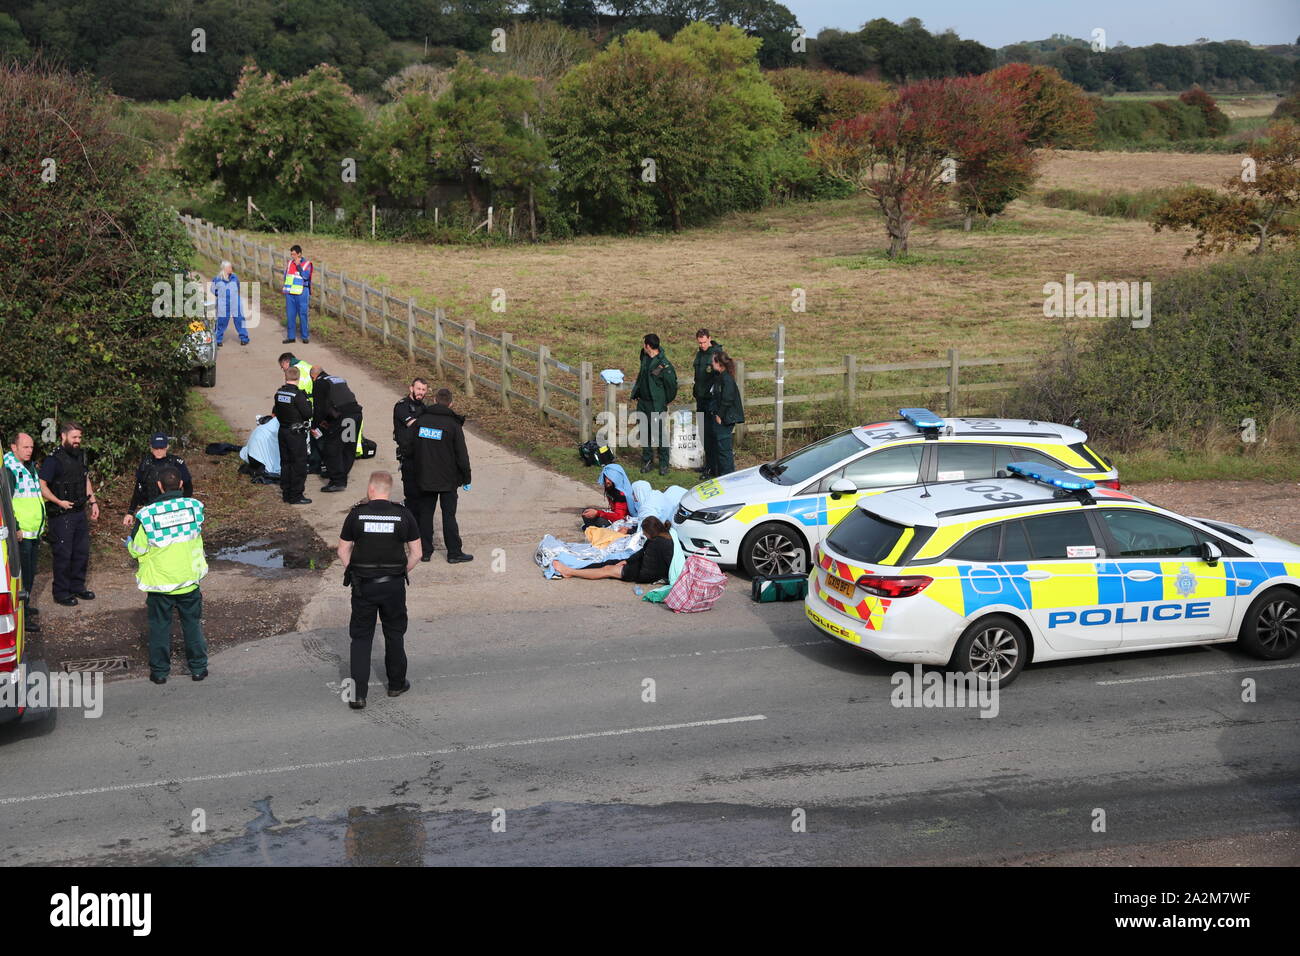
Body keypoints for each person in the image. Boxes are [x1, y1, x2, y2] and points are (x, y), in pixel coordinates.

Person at [336, 471, 422, 710]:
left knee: (361, 638)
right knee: (394, 633)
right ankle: (396, 684)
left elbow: (343, 550)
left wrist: (352, 569)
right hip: (393, 585)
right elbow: (417, 553)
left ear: (371, 489)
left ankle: (357, 695)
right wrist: (402, 571)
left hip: (363, 585)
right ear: (389, 491)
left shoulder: (356, 514)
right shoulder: (403, 515)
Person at [126, 466, 209, 684]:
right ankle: (198, 669)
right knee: (192, 625)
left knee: (160, 628)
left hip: (160, 584)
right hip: (189, 580)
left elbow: (137, 549)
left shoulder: (146, 515)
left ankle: (160, 673)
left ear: (160, 486)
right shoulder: (195, 507)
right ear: (181, 484)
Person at [404, 388, 473, 564]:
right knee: (449, 515)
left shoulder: (421, 421)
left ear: (434, 399)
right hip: (448, 480)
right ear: (451, 403)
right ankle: (454, 553)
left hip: (425, 477)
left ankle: (425, 552)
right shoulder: (453, 425)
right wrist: (466, 478)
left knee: (425, 515)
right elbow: (462, 456)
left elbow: (408, 448)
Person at [38, 422, 99, 607]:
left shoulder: (80, 456)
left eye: (79, 437)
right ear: (63, 436)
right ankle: (61, 592)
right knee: (63, 554)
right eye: (74, 437)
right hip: (61, 514)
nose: (77, 441)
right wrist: (58, 501)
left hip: (79, 512)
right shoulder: (53, 460)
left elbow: (84, 479)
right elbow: (42, 486)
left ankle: (77, 587)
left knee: (81, 552)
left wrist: (93, 501)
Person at [3, 433, 45, 631]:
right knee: (23, 577)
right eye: (25, 447)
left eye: (31, 447)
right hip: (21, 533)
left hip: (33, 530)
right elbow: (7, 503)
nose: (30, 451)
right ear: (14, 447)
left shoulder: (28, 465)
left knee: (29, 574)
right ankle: (23, 617)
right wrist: (16, 527)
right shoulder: (9, 469)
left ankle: (26, 607)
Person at [554, 516, 676, 582]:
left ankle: (570, 571)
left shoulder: (657, 543)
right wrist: (628, 561)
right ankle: (577, 566)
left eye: (644, 532)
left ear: (650, 531)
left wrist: (628, 569)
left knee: (607, 570)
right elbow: (642, 552)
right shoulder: (660, 536)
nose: (644, 535)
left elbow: (648, 570)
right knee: (609, 563)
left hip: (645, 573)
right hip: (645, 566)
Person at [310, 366, 363, 493]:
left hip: (343, 417)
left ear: (313, 377)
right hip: (355, 414)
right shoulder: (338, 379)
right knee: (347, 446)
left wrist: (314, 426)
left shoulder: (319, 383)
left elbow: (319, 407)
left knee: (331, 448)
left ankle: (338, 480)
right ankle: (341, 473)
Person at [629, 333, 676, 476]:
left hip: (656, 405)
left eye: (645, 344)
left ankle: (663, 464)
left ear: (648, 346)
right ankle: (647, 460)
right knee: (645, 433)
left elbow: (671, 386)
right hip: (643, 402)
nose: (643, 347)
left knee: (660, 434)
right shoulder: (644, 357)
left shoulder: (664, 364)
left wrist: (662, 401)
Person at [123, 433, 193, 526]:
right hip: (151, 507)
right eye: (156, 448)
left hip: (172, 509)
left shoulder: (176, 462)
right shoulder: (146, 463)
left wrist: (183, 507)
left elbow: (188, 487)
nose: (159, 451)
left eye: (162, 448)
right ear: (151, 448)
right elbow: (138, 488)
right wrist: (130, 512)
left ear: (167, 447)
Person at [272, 366, 313, 505]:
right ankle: (296, 496)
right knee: (299, 464)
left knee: (285, 462)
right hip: (295, 434)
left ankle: (286, 493)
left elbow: (276, 411)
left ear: (286, 377)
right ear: (299, 377)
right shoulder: (298, 395)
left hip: (282, 431)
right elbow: (308, 414)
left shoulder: (279, 393)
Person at [708, 351, 745, 478]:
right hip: (722, 417)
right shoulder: (721, 376)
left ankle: (728, 477)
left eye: (713, 361)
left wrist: (719, 415)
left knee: (724, 450)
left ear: (719, 363)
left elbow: (727, 399)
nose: (711, 364)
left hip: (725, 419)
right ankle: (722, 475)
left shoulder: (727, 379)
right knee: (720, 448)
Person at [692, 329, 723, 477]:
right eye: (700, 342)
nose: (702, 345)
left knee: (712, 434)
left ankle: (714, 468)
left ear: (710, 339)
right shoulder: (700, 354)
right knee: (704, 433)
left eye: (704, 342)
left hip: (711, 401)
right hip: (700, 399)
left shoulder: (716, 354)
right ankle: (708, 464)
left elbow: (720, 377)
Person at [392, 378, 428, 505]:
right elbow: (414, 425)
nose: (421, 392)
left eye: (424, 390)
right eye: (418, 389)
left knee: (422, 491)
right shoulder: (402, 406)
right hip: (408, 454)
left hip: (422, 454)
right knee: (411, 491)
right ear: (411, 388)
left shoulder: (424, 407)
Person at [582, 463, 634, 528]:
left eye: (610, 478)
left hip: (622, 522)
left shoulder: (621, 494)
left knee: (599, 520)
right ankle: (593, 528)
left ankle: (595, 528)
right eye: (605, 477)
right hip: (612, 516)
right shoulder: (610, 488)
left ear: (617, 478)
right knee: (586, 512)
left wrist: (598, 513)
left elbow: (619, 517)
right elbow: (613, 509)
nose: (607, 481)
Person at [210, 260, 249, 347]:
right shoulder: (217, 279)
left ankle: (244, 338)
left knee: (239, 319)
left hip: (235, 301)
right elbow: (213, 289)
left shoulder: (234, 277)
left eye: (231, 267)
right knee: (222, 321)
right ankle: (218, 340)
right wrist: (219, 295)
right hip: (223, 303)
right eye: (229, 267)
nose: (231, 269)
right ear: (224, 269)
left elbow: (238, 286)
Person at [282, 243, 313, 344]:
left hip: (302, 293)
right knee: (290, 315)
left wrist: (299, 265)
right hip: (290, 293)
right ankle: (291, 337)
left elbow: (305, 276)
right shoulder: (290, 263)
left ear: (300, 254)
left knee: (303, 314)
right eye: (291, 254)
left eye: (294, 254)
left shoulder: (307, 264)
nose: (292, 256)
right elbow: (286, 276)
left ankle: (305, 336)